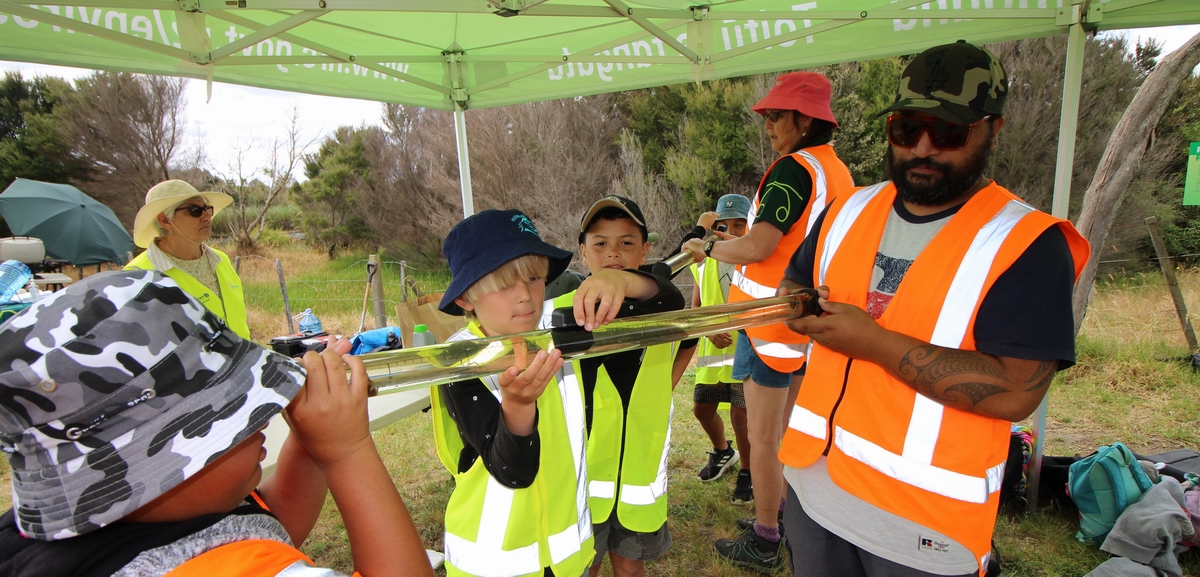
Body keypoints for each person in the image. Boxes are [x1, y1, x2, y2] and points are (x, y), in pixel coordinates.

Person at [777, 41, 1090, 577]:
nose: (923, 148)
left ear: (994, 128)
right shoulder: (847, 209)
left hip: (922, 529)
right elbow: (795, 286)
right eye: (906, 129)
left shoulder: (1027, 243)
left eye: (947, 132)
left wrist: (872, 342)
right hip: (813, 490)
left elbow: (1018, 391)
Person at [0, 269, 432, 577]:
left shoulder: (42, 545)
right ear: (158, 462)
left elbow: (270, 526)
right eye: (234, 412)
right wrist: (345, 452)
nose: (261, 418)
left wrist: (310, 440)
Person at [432, 208, 677, 577]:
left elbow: (667, 303)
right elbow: (512, 470)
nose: (525, 297)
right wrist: (517, 406)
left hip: (566, 556)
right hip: (495, 562)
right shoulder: (459, 363)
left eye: (533, 278)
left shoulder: (557, 325)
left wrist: (622, 281)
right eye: (503, 283)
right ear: (466, 298)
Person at [683, 71, 855, 571]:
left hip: (770, 327)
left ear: (805, 120)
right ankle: (782, 513)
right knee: (796, 432)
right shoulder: (834, 170)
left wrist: (708, 245)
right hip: (803, 322)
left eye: (776, 116)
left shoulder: (791, 170)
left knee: (764, 437)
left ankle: (764, 537)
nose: (768, 125)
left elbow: (759, 245)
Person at [551, 196, 687, 577]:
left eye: (626, 243)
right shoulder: (560, 311)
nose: (613, 252)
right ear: (582, 252)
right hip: (581, 482)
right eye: (600, 243)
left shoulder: (660, 305)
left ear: (645, 250)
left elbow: (679, 315)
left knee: (630, 564)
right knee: (583, 565)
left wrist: (666, 385)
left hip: (636, 480)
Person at [678, 194, 754, 502]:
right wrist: (709, 330)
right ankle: (724, 452)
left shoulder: (754, 262)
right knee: (702, 409)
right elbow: (695, 308)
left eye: (740, 225)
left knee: (742, 417)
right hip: (712, 357)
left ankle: (748, 471)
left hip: (745, 352)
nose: (733, 232)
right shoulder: (703, 263)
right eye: (725, 225)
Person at [127, 180, 250, 339]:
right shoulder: (137, 276)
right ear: (165, 221)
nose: (206, 217)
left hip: (243, 361)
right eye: (195, 210)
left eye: (206, 209)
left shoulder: (221, 260)